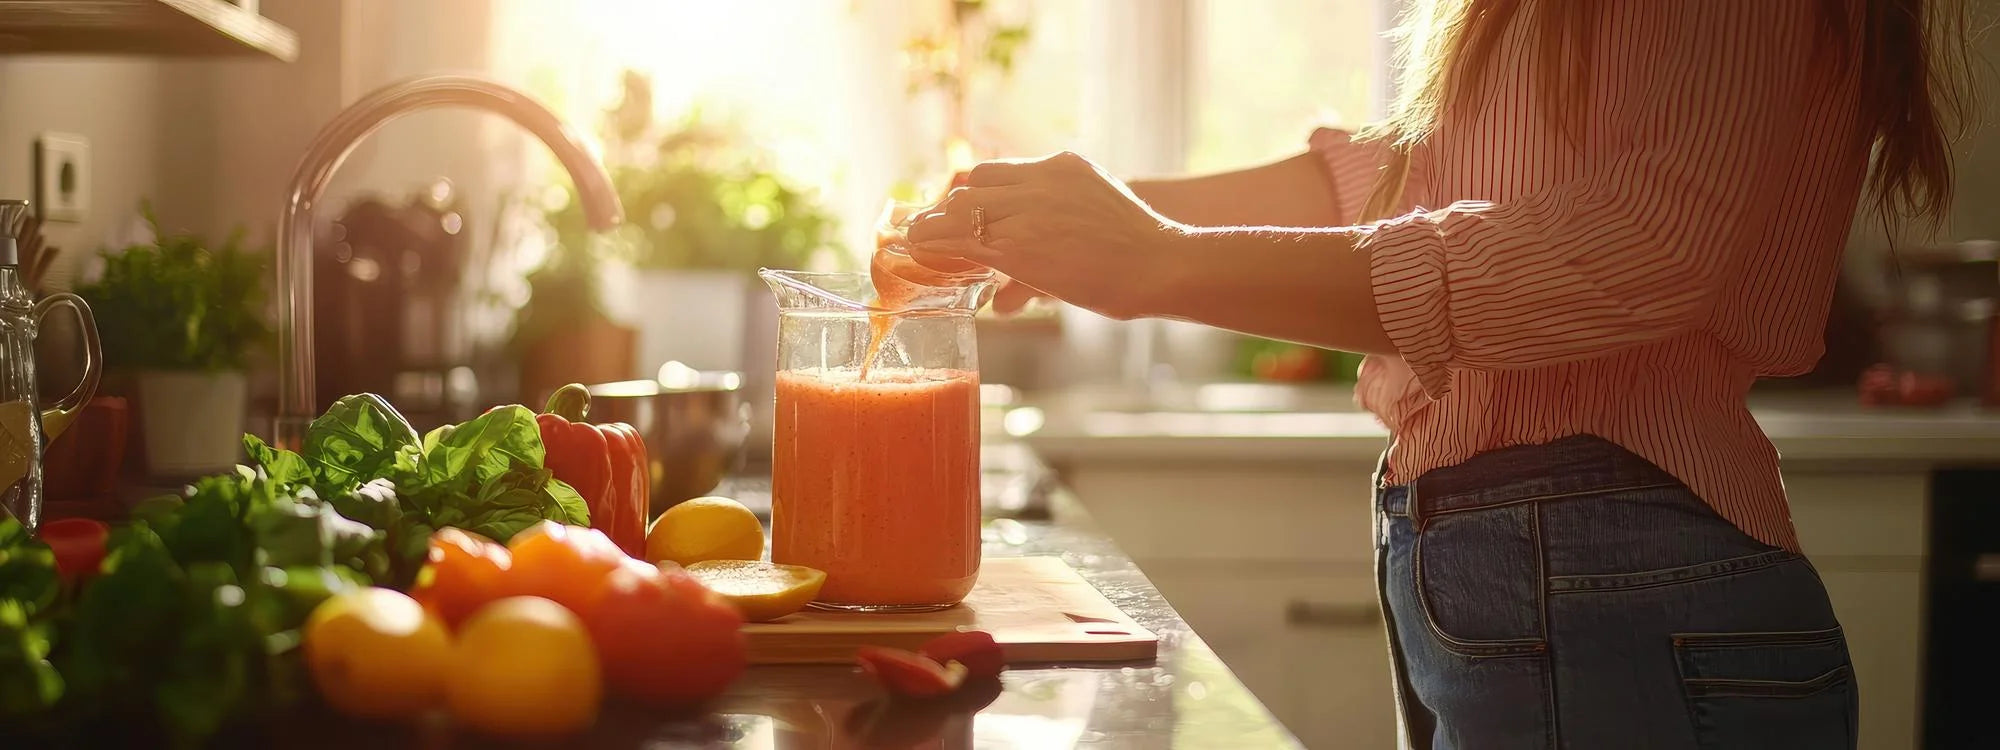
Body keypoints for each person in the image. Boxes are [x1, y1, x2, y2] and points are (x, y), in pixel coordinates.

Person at [906, 1, 1970, 747]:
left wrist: (1159, 261)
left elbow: (1641, 242)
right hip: (1557, 566)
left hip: (1609, 575)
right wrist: (1084, 228)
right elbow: (1418, 173)